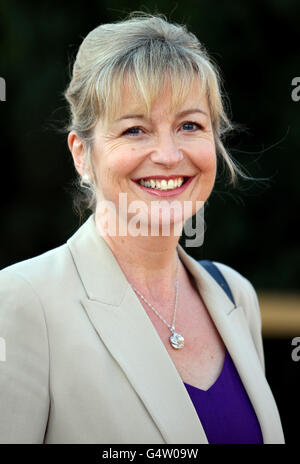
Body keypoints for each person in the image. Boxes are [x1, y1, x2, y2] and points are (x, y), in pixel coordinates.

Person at [0, 12, 284, 444]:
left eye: (190, 125)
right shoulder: (21, 301)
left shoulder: (235, 296)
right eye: (135, 130)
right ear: (82, 154)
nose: (169, 155)